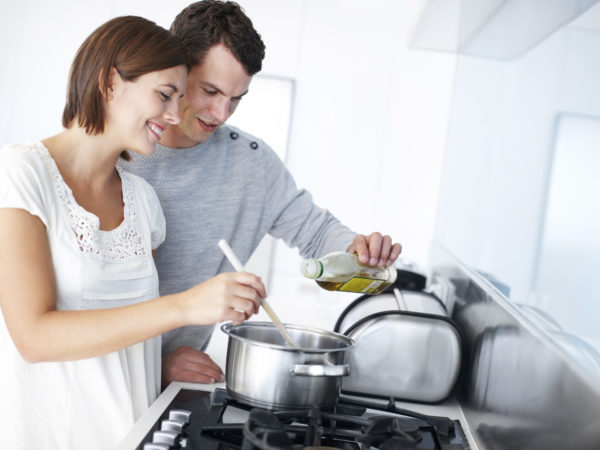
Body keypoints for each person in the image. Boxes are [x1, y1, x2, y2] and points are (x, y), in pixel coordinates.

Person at [0, 16, 265, 449]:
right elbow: (34, 337)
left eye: (180, 99)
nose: (175, 115)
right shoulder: (21, 173)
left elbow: (131, 333)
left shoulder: (143, 202)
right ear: (109, 83)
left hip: (139, 435)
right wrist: (184, 307)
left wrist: (159, 363)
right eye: (164, 95)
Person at [119, 0, 403, 389]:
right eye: (210, 90)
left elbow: (317, 233)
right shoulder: (123, 155)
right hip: (114, 377)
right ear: (176, 69)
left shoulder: (252, 164)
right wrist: (153, 364)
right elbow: (81, 308)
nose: (221, 113)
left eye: (236, 98)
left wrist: (358, 250)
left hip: (180, 382)